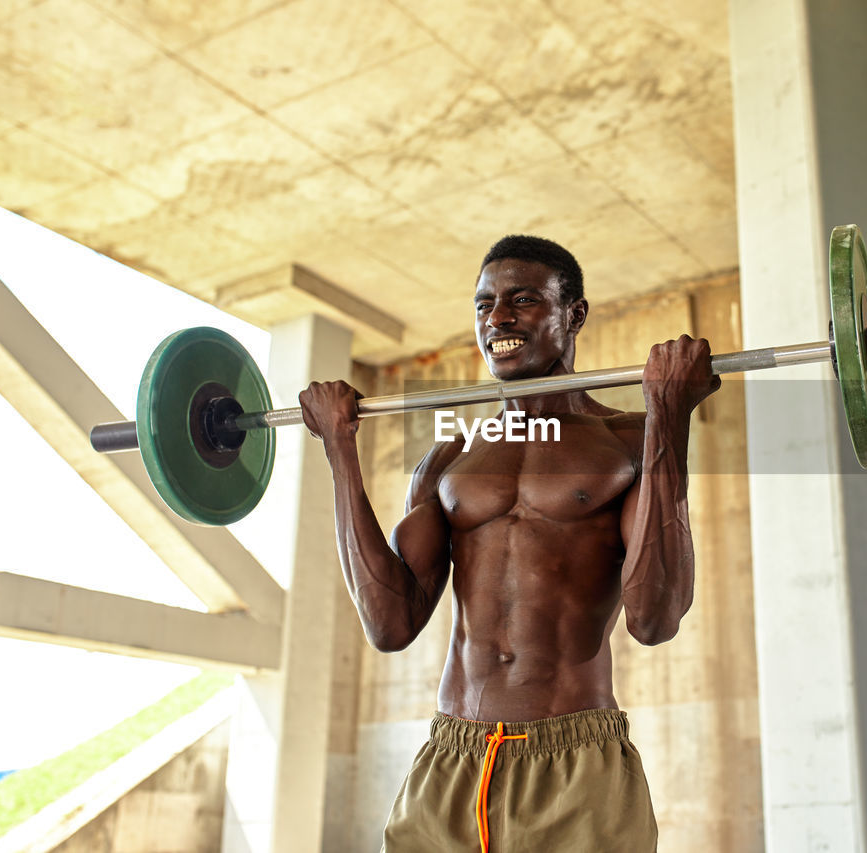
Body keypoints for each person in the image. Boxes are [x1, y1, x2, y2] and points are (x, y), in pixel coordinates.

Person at [299, 235, 719, 852]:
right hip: (452, 763)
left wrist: (668, 420)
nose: (498, 317)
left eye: (523, 300)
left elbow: (655, 619)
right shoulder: (448, 458)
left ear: (573, 314)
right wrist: (340, 450)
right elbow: (389, 625)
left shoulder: (628, 441)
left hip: (575, 767)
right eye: (485, 304)